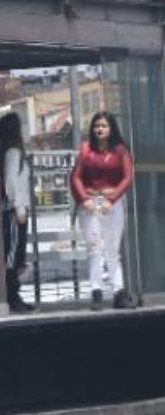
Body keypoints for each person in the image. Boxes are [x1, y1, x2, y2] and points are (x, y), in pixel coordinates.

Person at [71, 111, 135, 310]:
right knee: (94, 248)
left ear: (111, 128)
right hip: (90, 203)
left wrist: (112, 199)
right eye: (96, 126)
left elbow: (128, 177)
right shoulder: (86, 149)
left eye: (104, 126)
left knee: (112, 249)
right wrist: (84, 199)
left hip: (112, 203)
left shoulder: (120, 151)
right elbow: (75, 177)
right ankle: (96, 292)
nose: (99, 129)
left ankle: (119, 293)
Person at [0, 113, 35, 314]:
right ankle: (12, 296)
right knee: (12, 254)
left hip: (16, 208)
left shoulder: (10, 151)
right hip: (14, 210)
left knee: (16, 253)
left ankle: (14, 294)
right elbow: (10, 181)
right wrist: (19, 207)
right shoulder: (13, 152)